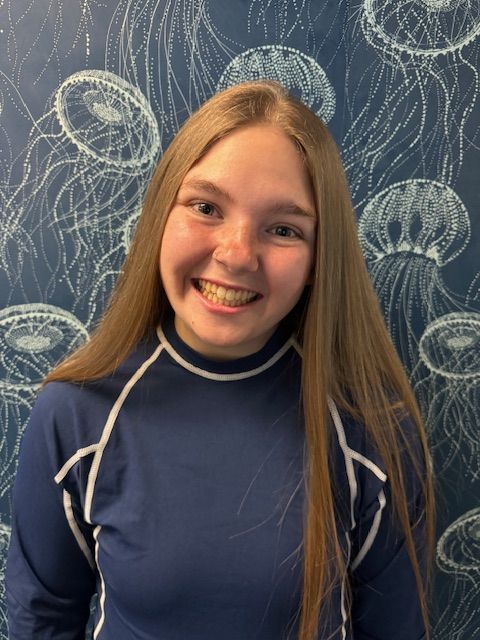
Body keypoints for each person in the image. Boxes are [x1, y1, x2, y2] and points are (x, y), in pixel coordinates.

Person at [6, 80, 434, 640]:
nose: (235, 254)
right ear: (161, 215)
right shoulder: (75, 415)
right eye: (206, 207)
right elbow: (42, 619)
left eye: (283, 229)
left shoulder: (374, 432)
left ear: (316, 259)